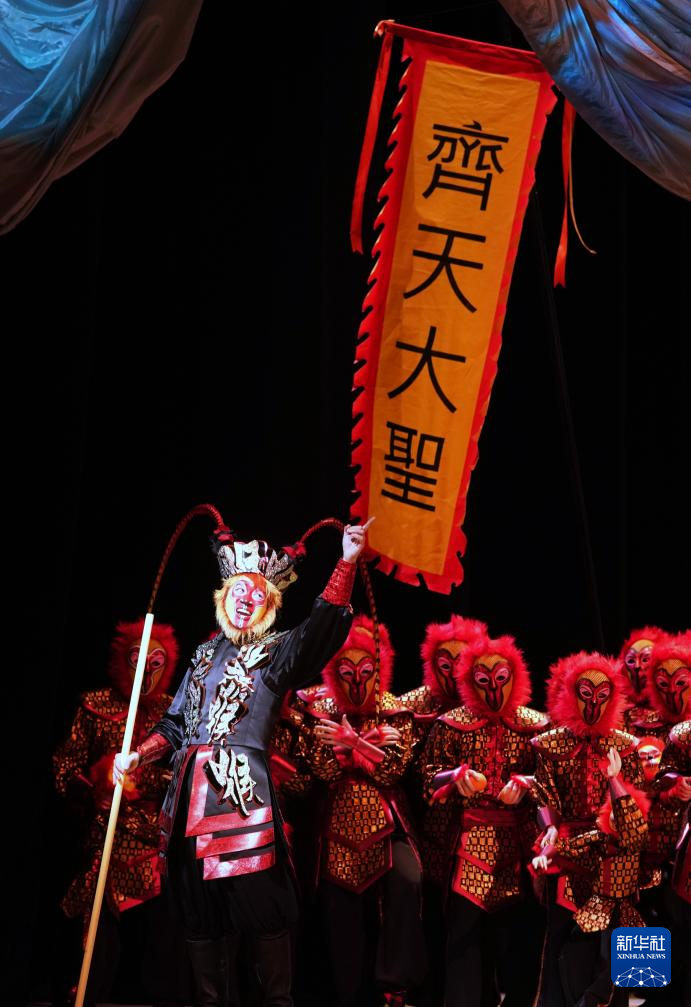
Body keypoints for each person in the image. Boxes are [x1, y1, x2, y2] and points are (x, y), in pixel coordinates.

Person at [114, 520, 372, 1006]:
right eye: (238, 590)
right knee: (198, 916)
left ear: (269, 606)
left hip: (240, 799)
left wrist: (346, 562)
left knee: (263, 909)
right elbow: (176, 724)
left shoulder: (276, 652)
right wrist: (137, 754)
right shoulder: (203, 654)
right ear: (223, 597)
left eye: (257, 594)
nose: (246, 600)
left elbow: (319, 630)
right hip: (186, 799)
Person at [54, 618, 190, 1006]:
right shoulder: (95, 706)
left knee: (163, 942)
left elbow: (183, 775)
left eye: (156, 664)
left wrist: (144, 782)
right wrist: (94, 789)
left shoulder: (172, 714)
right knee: (96, 931)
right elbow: (65, 766)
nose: (146, 672)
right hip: (106, 836)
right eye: (137, 661)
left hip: (155, 839)